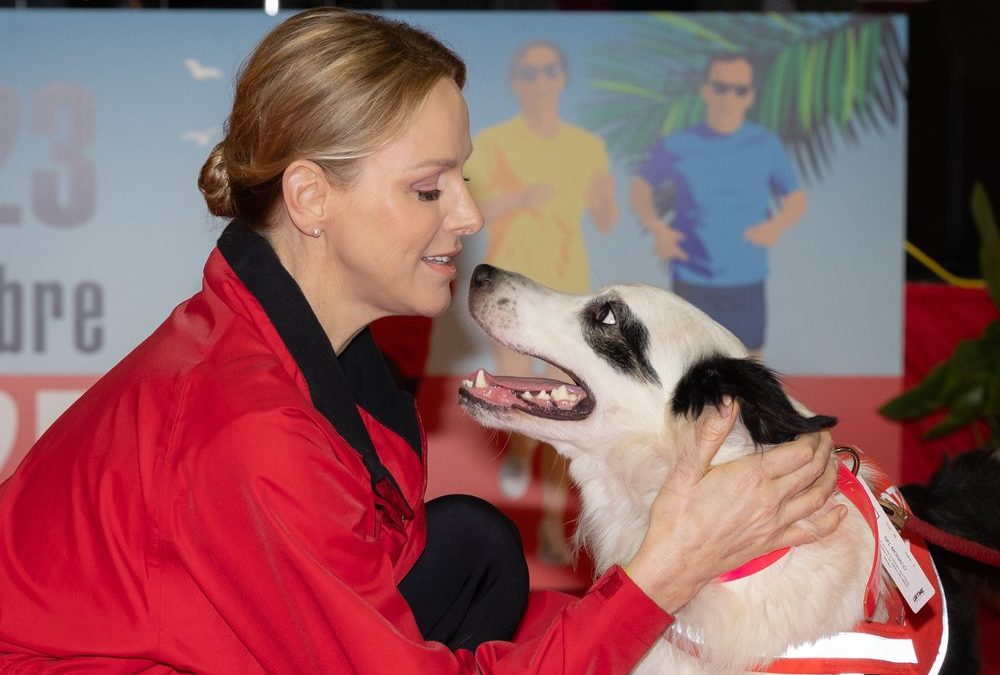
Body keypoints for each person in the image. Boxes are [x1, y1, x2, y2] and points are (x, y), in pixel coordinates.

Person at [0, 9, 843, 673]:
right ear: (311, 198)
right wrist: (660, 580)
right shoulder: (246, 428)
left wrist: (668, 621)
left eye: (463, 177)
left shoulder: (311, 354)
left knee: (475, 547)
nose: (469, 217)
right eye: (428, 188)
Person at [465, 41, 617, 564]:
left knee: (569, 412)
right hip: (511, 288)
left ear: (561, 78)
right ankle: (519, 459)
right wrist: (520, 199)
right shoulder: (493, 140)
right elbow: (474, 208)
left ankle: (555, 525)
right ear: (515, 82)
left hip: (567, 292)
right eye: (529, 71)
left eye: (550, 69)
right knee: (511, 395)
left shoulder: (585, 146)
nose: (540, 79)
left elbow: (605, 220)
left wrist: (603, 198)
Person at [630, 53, 808, 358]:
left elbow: (796, 198)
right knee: (694, 368)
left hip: (746, 278)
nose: (729, 97)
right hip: (693, 278)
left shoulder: (765, 144)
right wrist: (656, 227)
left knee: (751, 370)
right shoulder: (679, 144)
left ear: (750, 96)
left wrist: (775, 226)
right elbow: (640, 187)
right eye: (721, 88)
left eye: (739, 90)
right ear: (706, 90)